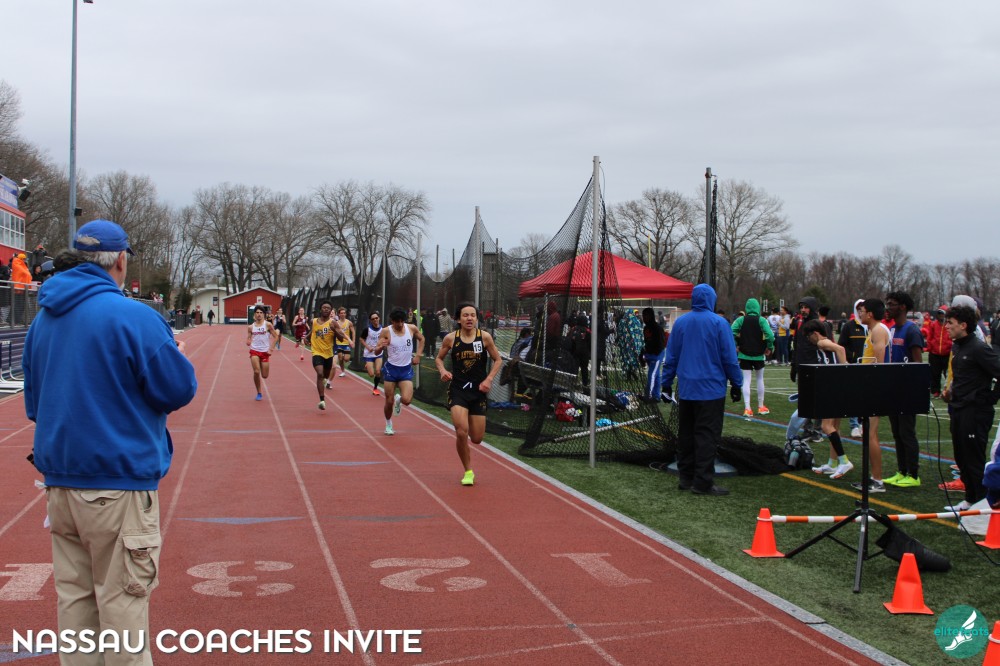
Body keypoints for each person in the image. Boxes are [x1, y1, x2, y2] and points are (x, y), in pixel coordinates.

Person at [23, 219, 198, 663]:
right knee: (123, 617)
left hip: (60, 483)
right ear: (120, 260)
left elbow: (35, 404)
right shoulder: (135, 316)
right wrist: (175, 359)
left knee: (76, 612)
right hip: (117, 484)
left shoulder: (43, 320)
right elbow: (177, 390)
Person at [660, 284, 743, 496]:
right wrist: (737, 383)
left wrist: (666, 383)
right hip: (711, 390)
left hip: (687, 388)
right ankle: (702, 482)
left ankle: (686, 477)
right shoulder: (720, 323)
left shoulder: (681, 323)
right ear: (712, 300)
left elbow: (671, 356)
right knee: (707, 436)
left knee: (686, 434)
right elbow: (729, 357)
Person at [435, 302, 503, 486]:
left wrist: (489, 379)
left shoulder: (484, 337)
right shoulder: (451, 338)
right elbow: (439, 358)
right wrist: (442, 371)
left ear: (477, 318)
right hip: (458, 390)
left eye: (473, 315)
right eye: (465, 315)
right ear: (458, 319)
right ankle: (468, 471)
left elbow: (498, 360)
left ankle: (468, 453)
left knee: (477, 439)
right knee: (461, 431)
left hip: (478, 391)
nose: (469, 318)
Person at [941, 304, 1000, 511]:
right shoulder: (958, 347)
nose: (946, 326)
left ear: (963, 325)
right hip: (958, 408)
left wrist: (990, 397)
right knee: (961, 456)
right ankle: (970, 497)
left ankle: (982, 502)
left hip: (975, 412)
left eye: (950, 323)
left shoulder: (979, 348)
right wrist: (950, 393)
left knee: (974, 457)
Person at [799, 319, 853, 480]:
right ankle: (832, 463)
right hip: (836, 388)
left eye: (809, 336)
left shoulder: (822, 343)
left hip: (833, 388)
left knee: (826, 426)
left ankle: (844, 461)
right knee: (834, 427)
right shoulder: (824, 343)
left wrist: (844, 371)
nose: (808, 340)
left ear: (815, 333)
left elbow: (841, 349)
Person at [882, 292, 924, 488]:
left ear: (903, 307)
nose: (888, 307)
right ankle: (902, 471)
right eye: (887, 303)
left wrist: (914, 389)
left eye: (892, 304)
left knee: (907, 433)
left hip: (907, 391)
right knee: (897, 433)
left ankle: (913, 475)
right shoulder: (892, 330)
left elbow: (918, 363)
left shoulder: (911, 330)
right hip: (893, 390)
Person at [851, 298, 891, 494]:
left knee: (871, 435)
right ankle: (873, 478)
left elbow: (879, 364)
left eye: (863, 311)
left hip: (874, 389)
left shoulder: (878, 331)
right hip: (868, 387)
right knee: (868, 434)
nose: (860, 314)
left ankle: (877, 480)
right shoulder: (872, 331)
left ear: (871, 314)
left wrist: (873, 388)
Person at [374, 307, 425, 435]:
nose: (400, 324)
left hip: (405, 369)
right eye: (397, 322)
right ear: (392, 321)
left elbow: (422, 339)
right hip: (391, 369)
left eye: (402, 321)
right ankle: (388, 424)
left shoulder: (411, 328)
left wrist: (418, 355)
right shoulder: (386, 331)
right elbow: (376, 351)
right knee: (388, 401)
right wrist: (381, 347)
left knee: (407, 400)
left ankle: (399, 399)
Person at [731, 297, 775, 419]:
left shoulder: (740, 320)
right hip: (759, 354)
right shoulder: (762, 320)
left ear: (746, 308)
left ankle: (747, 408)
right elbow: (770, 336)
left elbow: (730, 333)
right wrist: (770, 347)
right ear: (758, 308)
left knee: (746, 381)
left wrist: (735, 345)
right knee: (760, 379)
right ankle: (761, 406)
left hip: (744, 353)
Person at [837, 298, 868, 437]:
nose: (861, 312)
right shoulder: (849, 326)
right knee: (854, 396)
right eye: (858, 309)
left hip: (868, 366)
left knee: (864, 396)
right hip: (854, 365)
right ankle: (854, 425)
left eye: (863, 309)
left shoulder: (871, 327)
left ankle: (862, 423)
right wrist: (851, 357)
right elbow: (841, 345)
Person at [246, 305, 279, 401]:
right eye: (257, 312)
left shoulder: (268, 325)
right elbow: (248, 337)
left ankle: (260, 364)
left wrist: (271, 349)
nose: (259, 314)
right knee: (256, 371)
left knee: (264, 376)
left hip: (265, 352)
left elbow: (276, 337)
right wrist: (248, 340)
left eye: (261, 313)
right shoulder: (250, 327)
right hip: (254, 351)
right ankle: (259, 392)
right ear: (254, 314)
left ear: (264, 314)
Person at [310, 301, 338, 410]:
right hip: (317, 352)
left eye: (328, 308)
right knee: (320, 374)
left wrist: (334, 330)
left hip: (328, 353)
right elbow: (312, 331)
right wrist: (306, 337)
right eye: (324, 307)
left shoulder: (333, 323)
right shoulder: (314, 321)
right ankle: (322, 400)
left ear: (331, 311)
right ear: (320, 309)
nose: (326, 309)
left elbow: (340, 338)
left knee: (325, 376)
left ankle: (325, 380)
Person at [640, 307, 666, 402]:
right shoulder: (646, 328)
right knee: (656, 375)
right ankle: (656, 396)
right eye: (643, 316)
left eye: (646, 316)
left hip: (657, 354)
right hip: (650, 354)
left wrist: (655, 355)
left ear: (651, 316)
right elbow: (646, 342)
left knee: (652, 375)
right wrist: (644, 354)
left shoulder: (657, 328)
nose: (644, 318)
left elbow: (661, 343)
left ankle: (648, 396)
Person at [361, 311, 385, 395]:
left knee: (378, 372)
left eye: (376, 318)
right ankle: (368, 365)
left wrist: (383, 345)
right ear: (370, 321)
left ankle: (375, 388)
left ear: (379, 318)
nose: (375, 320)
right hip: (369, 353)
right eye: (373, 319)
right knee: (371, 374)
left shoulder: (383, 329)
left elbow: (385, 338)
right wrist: (368, 347)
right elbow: (361, 339)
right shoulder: (367, 329)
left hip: (378, 353)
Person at [332, 307, 355, 378]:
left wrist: (353, 341)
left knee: (346, 359)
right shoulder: (336, 323)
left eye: (344, 313)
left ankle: (344, 358)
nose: (343, 314)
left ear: (346, 314)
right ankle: (343, 371)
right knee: (340, 358)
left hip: (346, 343)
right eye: (341, 313)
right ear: (339, 314)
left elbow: (353, 332)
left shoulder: (349, 322)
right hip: (338, 342)